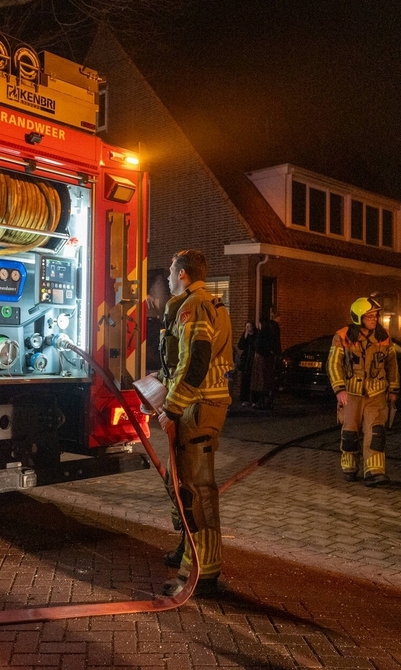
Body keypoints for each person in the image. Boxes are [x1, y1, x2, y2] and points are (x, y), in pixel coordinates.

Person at [157, 249, 233, 596]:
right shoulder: (201, 304)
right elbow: (183, 360)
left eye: (172, 273)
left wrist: (172, 407)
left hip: (198, 408)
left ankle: (204, 573)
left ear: (183, 274)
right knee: (182, 485)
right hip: (195, 405)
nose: (169, 279)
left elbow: (197, 360)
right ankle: (189, 551)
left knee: (197, 491)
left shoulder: (194, 307)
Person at [327, 297, 399, 486]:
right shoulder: (343, 337)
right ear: (358, 317)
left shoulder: (384, 337)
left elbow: (392, 365)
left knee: (376, 432)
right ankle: (349, 466)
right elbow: (334, 364)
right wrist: (339, 389)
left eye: (375, 315)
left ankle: (374, 471)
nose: (374, 319)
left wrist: (393, 389)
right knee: (350, 432)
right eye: (369, 316)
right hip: (351, 393)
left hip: (376, 394)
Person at [251, 309, 282, 409]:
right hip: (269, 358)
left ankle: (261, 402)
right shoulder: (271, 332)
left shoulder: (262, 334)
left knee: (262, 381)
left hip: (262, 359)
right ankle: (268, 401)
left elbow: (258, 345)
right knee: (268, 380)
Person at [236, 321, 257, 406]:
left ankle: (255, 400)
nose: (247, 328)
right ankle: (245, 399)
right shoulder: (245, 335)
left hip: (253, 359)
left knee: (254, 380)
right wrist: (244, 337)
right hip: (246, 360)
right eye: (246, 327)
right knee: (245, 380)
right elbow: (240, 346)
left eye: (249, 326)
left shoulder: (256, 336)